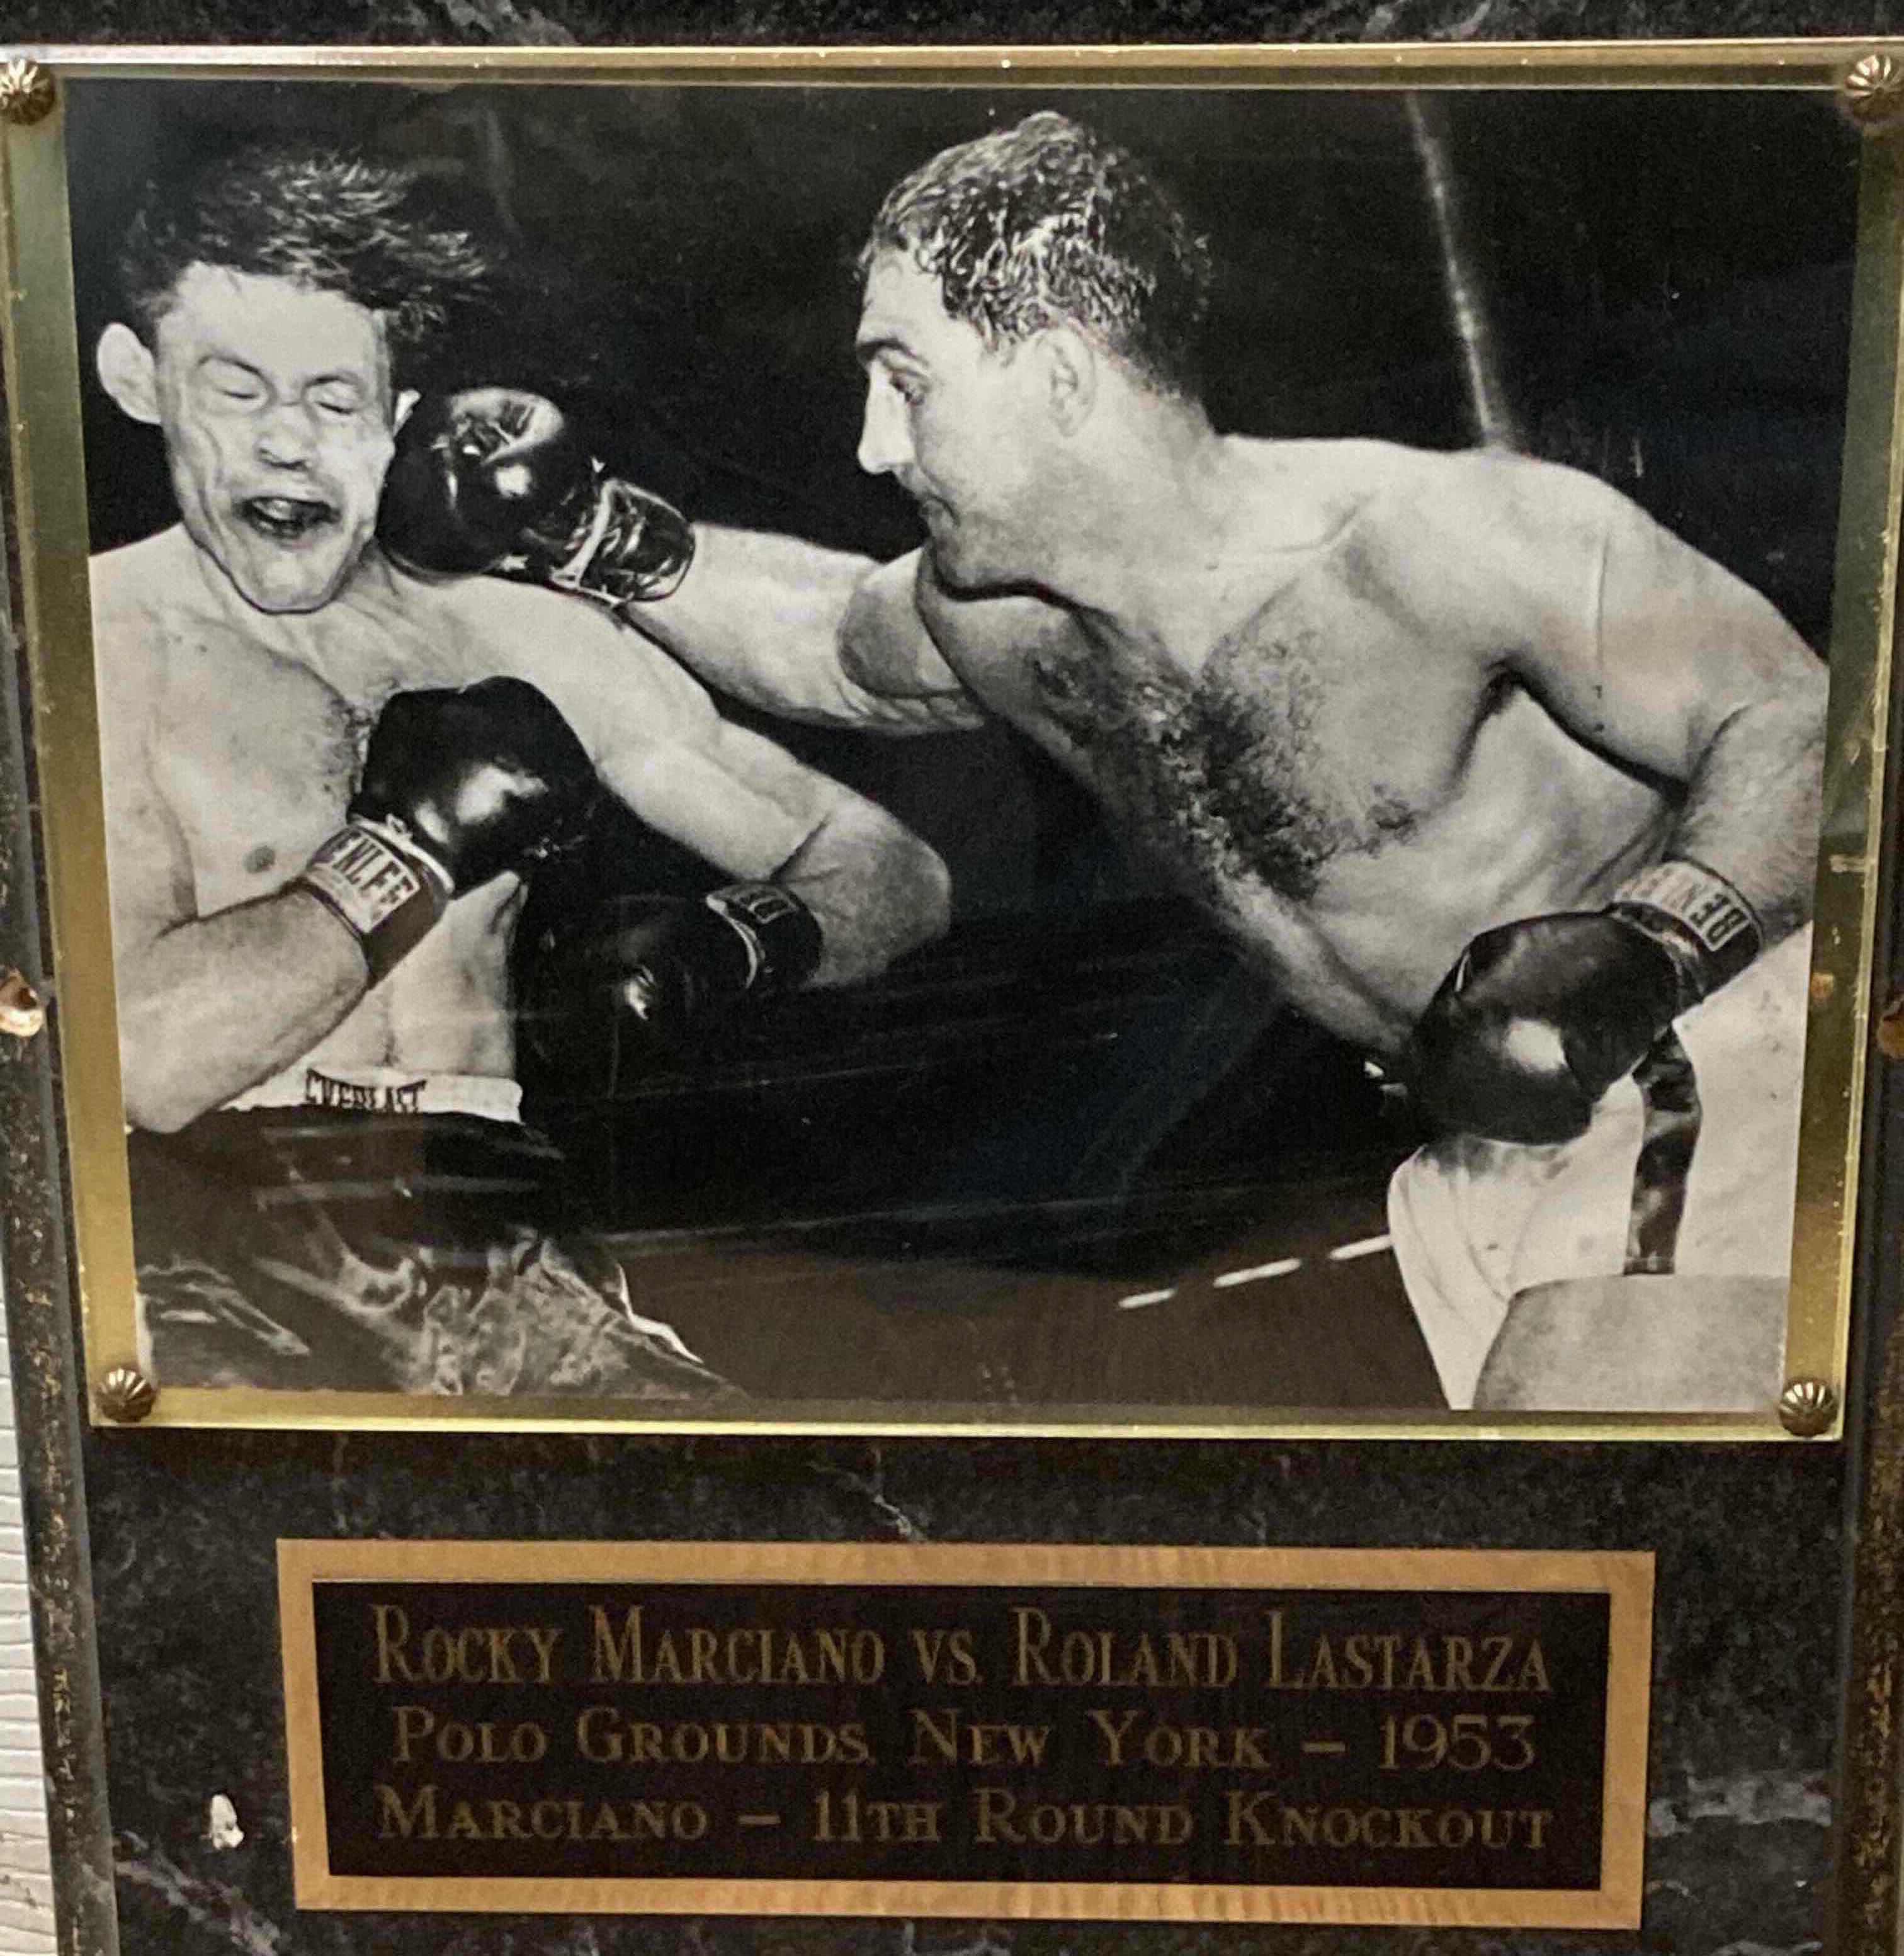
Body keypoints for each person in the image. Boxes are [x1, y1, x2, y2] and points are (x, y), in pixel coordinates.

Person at [595, 111, 1825, 1413]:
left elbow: (1805, 722)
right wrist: (584, 531)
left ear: (1060, 376)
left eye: (905, 382)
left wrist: (1648, 944)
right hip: (1469, 1147)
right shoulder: (1006, 620)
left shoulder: (1443, 540)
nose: (873, 446)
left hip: (1698, 1050)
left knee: (1585, 1508)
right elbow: (824, 645)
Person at [89, 144, 949, 1396]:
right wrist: (410, 854)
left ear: (397, 418)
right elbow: (144, 1063)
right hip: (207, 1256)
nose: (288, 445)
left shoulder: (511, 633)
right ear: (137, 381)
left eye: (331, 400)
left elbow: (892, 868)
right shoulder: (94, 643)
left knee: (809, 1553)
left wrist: (741, 943)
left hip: (503, 1240)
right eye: (236, 391)